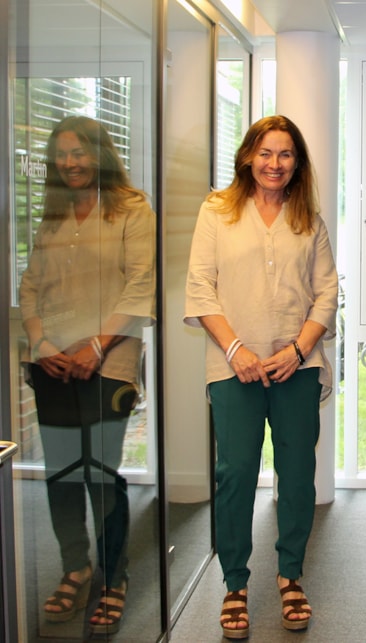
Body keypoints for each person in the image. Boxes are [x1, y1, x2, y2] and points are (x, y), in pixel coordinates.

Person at [184, 115, 338, 638]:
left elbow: (327, 293)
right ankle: (235, 584)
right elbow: (201, 288)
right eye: (266, 153)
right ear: (249, 156)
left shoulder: (308, 219)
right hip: (234, 369)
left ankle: (291, 574)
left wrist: (298, 349)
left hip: (297, 365)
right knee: (236, 475)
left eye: (286, 154)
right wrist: (235, 350)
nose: (275, 164)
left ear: (298, 163)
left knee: (296, 476)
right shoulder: (217, 211)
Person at [20, 115, 156, 635]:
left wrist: (96, 344)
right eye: (62, 155)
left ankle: (112, 577)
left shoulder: (130, 209)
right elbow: (30, 287)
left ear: (100, 154)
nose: (71, 163)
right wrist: (43, 344)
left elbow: (141, 284)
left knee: (100, 474)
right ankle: (75, 567)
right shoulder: (52, 215)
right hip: (51, 363)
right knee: (60, 474)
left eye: (80, 153)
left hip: (110, 362)